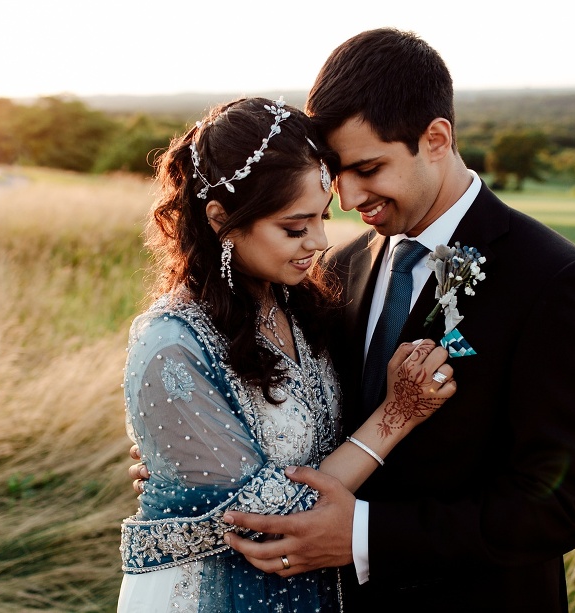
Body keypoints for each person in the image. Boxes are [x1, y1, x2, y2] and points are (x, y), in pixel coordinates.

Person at [210, 29, 575, 611]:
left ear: (435, 138)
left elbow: (558, 507)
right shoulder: (343, 266)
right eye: (336, 175)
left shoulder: (556, 281)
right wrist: (201, 464)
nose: (348, 199)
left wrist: (361, 535)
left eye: (368, 168)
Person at [116, 96, 456, 612]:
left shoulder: (300, 306)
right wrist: (395, 416)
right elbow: (277, 526)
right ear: (220, 219)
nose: (319, 242)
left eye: (321, 217)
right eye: (295, 228)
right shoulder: (170, 346)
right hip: (217, 596)